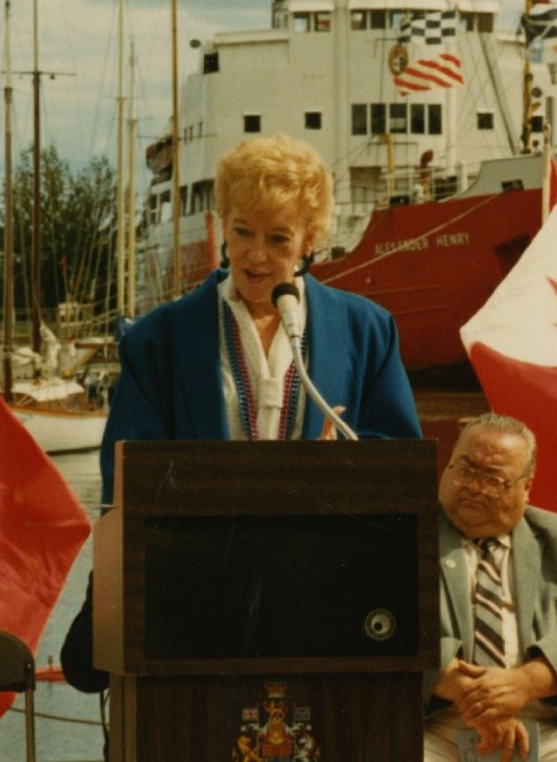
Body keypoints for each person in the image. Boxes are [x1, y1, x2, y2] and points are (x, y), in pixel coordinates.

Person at [61, 133, 422, 692]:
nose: (256, 254)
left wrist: (343, 467)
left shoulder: (366, 330)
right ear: (221, 222)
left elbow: (399, 462)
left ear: (310, 241)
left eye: (278, 238)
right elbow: (125, 477)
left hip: (322, 595)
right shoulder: (160, 339)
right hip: (195, 599)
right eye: (242, 232)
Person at [425, 413, 557, 762]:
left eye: (491, 478)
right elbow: (388, 626)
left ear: (526, 487)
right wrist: (477, 697)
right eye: (465, 469)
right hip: (438, 723)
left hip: (548, 726)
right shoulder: (410, 532)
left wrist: (523, 683)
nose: (472, 486)